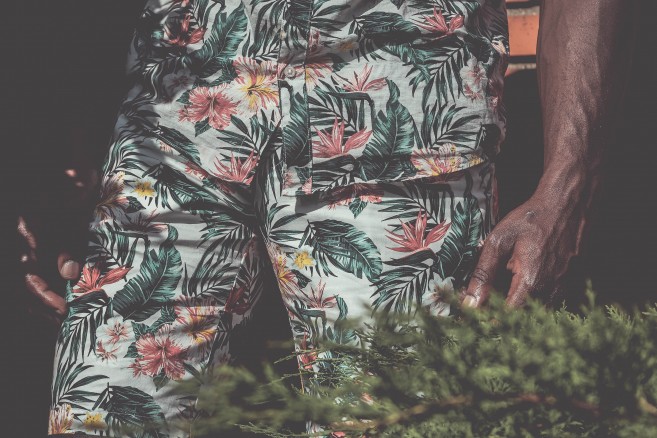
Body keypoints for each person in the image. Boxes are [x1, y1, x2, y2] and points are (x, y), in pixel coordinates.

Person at [18, 0, 637, 436]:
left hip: (395, 104)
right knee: (104, 415)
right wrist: (54, 150)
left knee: (395, 422)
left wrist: (567, 182)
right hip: (176, 110)